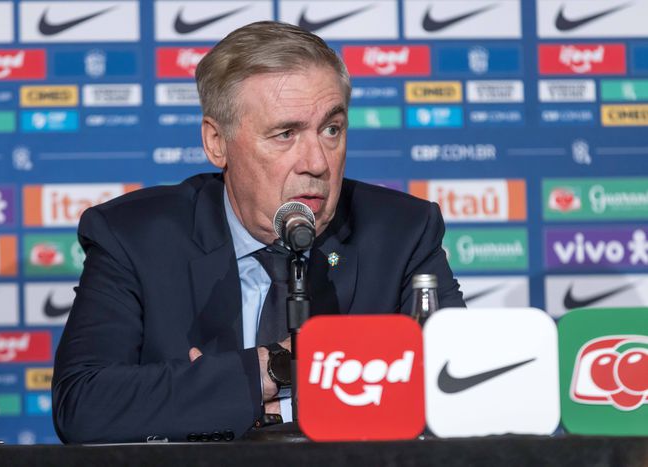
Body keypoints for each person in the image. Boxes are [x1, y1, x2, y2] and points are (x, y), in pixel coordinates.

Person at [52, 21, 465, 444]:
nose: (317, 163)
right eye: (286, 134)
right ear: (217, 142)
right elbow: (83, 406)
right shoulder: (134, 238)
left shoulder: (401, 234)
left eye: (331, 130)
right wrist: (270, 369)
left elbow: (460, 391)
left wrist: (207, 393)